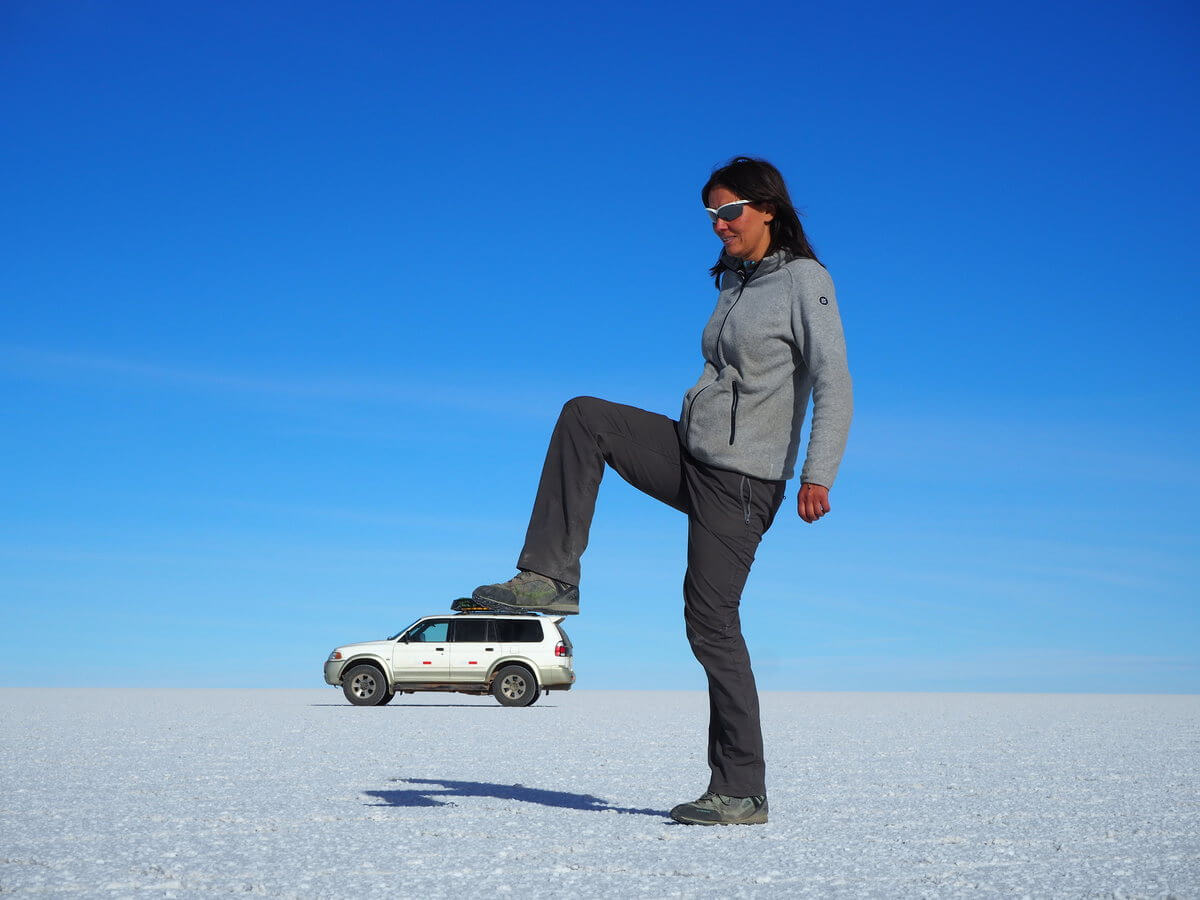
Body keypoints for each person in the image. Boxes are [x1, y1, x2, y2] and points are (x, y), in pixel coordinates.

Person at [467, 156, 853, 825]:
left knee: (711, 625)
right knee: (586, 416)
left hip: (743, 481)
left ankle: (743, 788)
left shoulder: (804, 281)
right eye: (710, 216)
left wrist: (818, 471)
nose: (719, 226)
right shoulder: (734, 282)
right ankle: (549, 575)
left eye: (729, 212)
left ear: (767, 208)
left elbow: (834, 379)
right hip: (692, 452)